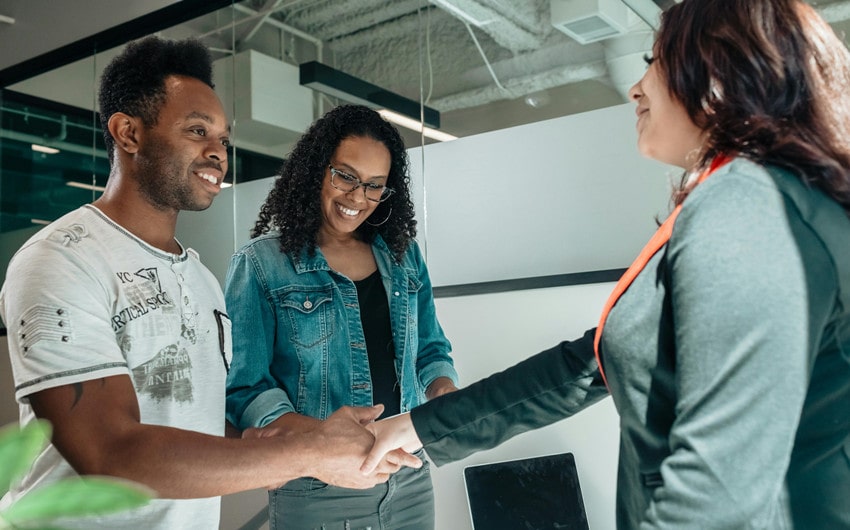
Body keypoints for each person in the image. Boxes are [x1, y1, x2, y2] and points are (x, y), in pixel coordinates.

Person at [362, 0, 850, 528]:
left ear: (716, 72)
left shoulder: (747, 207)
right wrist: (417, 427)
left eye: (653, 61)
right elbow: (591, 365)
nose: (636, 88)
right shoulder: (762, 199)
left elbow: (717, 493)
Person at [0, 37, 418, 530]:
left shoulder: (198, 278)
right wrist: (307, 454)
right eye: (197, 131)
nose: (217, 153)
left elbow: (187, 413)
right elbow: (110, 452)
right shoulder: (61, 258)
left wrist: (261, 441)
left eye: (222, 139)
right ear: (127, 132)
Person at [224, 104, 459, 529]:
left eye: (374, 186)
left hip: (408, 478)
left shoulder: (404, 257)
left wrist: (444, 393)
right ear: (317, 169)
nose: (358, 198)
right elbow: (247, 387)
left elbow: (430, 349)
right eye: (346, 176)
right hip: (318, 485)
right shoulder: (261, 265)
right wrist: (321, 442)